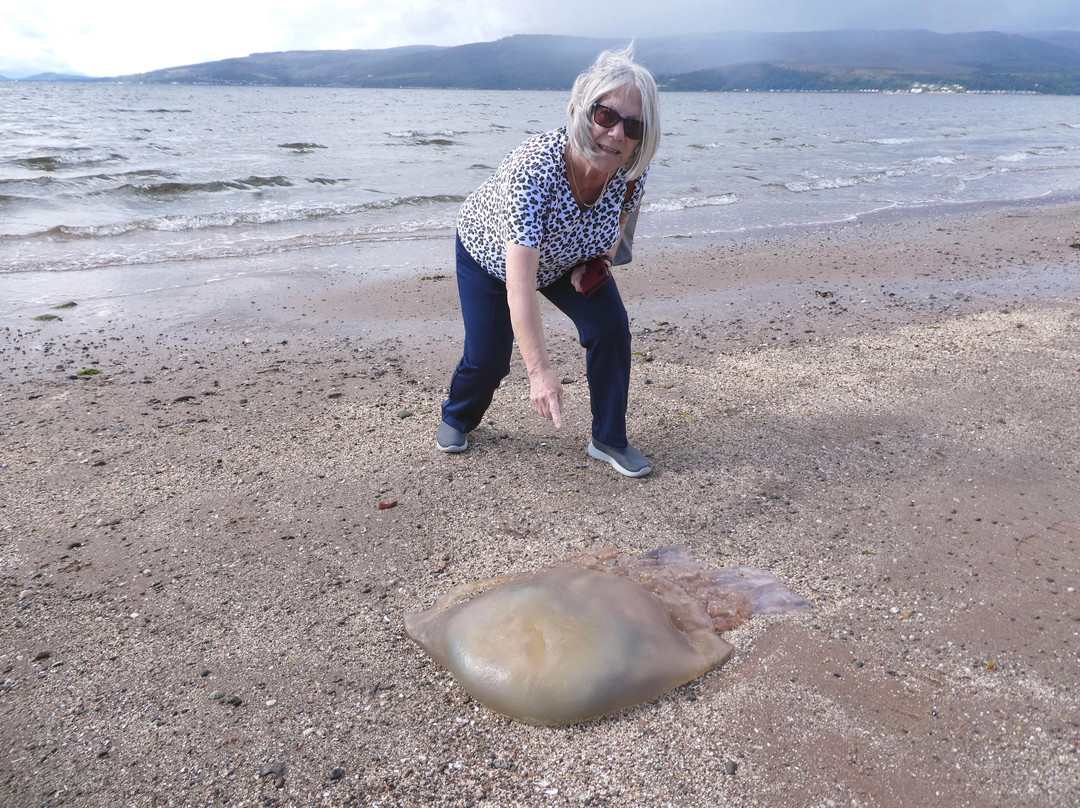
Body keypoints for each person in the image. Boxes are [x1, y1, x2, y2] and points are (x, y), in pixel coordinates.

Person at [436, 46, 661, 477]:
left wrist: (599, 264)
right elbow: (520, 285)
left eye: (632, 126)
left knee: (611, 328)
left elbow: (619, 225)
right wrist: (539, 372)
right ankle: (457, 416)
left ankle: (609, 438)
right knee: (489, 359)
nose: (617, 134)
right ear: (580, 110)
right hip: (492, 259)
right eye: (606, 116)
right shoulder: (535, 168)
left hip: (567, 258)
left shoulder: (631, 165)